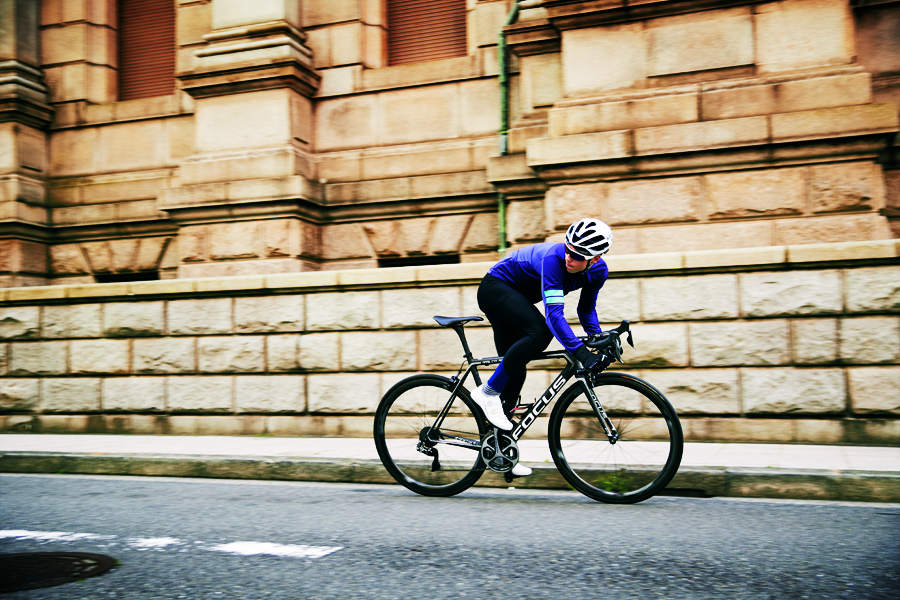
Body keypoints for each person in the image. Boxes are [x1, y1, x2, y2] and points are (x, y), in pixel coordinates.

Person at [471, 217, 615, 477]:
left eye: (579, 256)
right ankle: (487, 391)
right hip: (495, 288)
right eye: (569, 249)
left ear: (595, 259)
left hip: (516, 300)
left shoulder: (598, 272)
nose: (570, 258)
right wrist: (580, 352)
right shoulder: (554, 259)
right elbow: (554, 316)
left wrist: (598, 339)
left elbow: (586, 309)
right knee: (540, 333)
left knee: (516, 372)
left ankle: (501, 451)